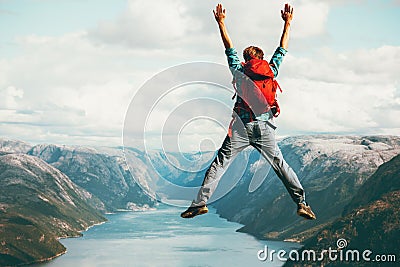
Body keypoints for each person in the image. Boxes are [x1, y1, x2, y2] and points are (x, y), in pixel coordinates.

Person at [181, 3, 316, 220]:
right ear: (261, 59)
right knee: (280, 165)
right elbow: (283, 48)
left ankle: (200, 203)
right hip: (264, 127)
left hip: (241, 127)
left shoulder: (239, 69)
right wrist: (287, 24)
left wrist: (221, 23)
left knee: (220, 164)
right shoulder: (271, 70)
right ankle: (302, 203)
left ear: (246, 58)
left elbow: (228, 47)